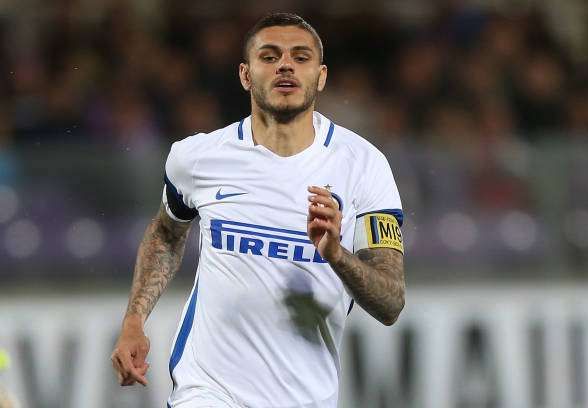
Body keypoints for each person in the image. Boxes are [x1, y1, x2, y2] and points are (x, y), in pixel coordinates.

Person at [111, 12, 405, 408]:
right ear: (246, 75)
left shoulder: (365, 166)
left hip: (307, 396)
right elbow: (167, 231)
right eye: (270, 56)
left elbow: (391, 303)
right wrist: (134, 320)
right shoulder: (197, 157)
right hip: (207, 391)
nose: (285, 64)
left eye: (300, 57)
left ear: (320, 76)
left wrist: (337, 255)